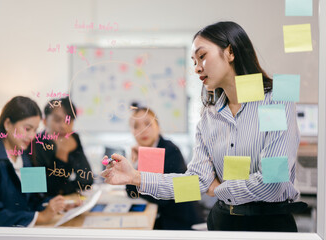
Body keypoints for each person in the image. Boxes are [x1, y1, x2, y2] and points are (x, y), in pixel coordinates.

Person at [101, 21, 306, 232]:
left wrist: (219, 189)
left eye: (202, 56)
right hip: (222, 223)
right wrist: (135, 177)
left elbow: (272, 184)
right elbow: (195, 184)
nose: (197, 67)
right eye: (194, 61)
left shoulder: (276, 99)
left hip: (268, 226)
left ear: (230, 52)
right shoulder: (209, 117)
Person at [0, 96, 68, 227]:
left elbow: (36, 200)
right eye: (27, 129)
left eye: (35, 130)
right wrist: (41, 217)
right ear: (8, 124)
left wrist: (57, 206)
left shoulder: (27, 157)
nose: (32, 136)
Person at [126, 106, 205, 230]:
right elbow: (131, 190)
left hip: (182, 223)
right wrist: (135, 163)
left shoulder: (169, 150)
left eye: (148, 124)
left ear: (158, 127)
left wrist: (134, 176)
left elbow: (160, 196)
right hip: (165, 217)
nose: (142, 130)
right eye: (136, 126)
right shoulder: (145, 152)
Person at [34, 97, 93, 197]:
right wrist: (61, 155)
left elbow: (86, 180)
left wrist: (63, 189)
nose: (64, 126)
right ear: (44, 121)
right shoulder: (35, 145)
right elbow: (39, 191)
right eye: (57, 120)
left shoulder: (74, 138)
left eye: (68, 120)